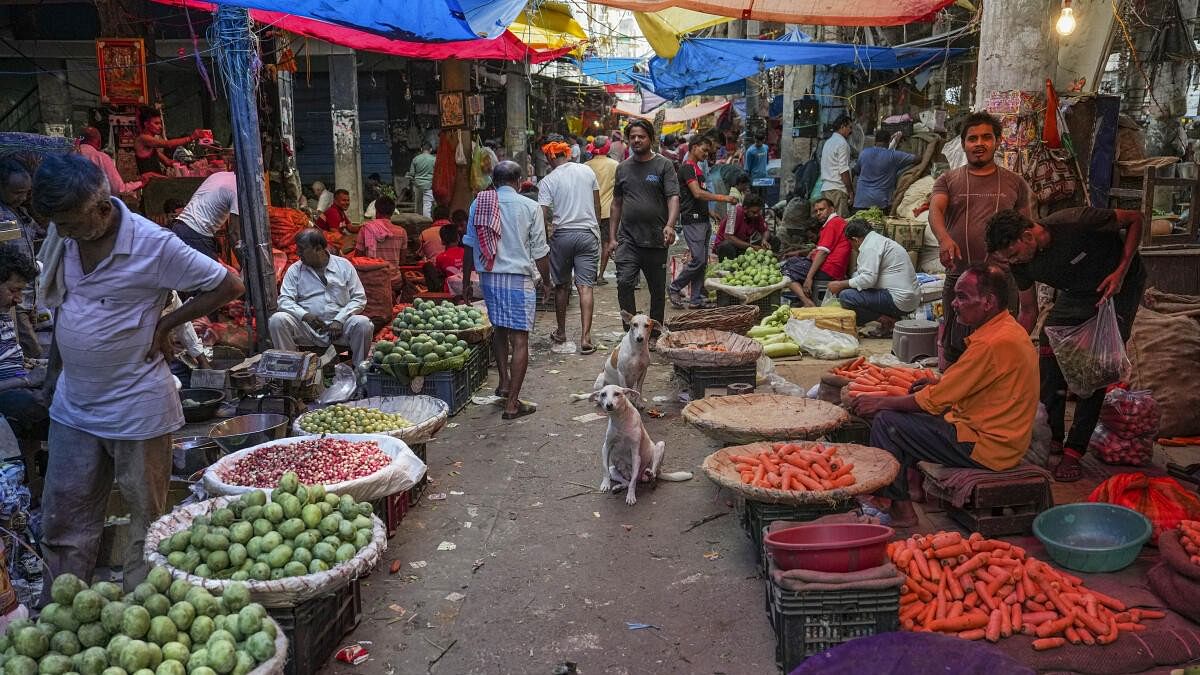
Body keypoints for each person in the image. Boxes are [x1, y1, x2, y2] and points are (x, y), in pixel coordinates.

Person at [32, 153, 243, 596]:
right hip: (73, 406)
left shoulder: (154, 245)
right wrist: (55, 374)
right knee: (63, 520)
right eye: (58, 225)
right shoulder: (63, 238)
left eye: (70, 223)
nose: (63, 234)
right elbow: (64, 309)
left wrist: (164, 325)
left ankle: (138, 610)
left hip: (136, 408)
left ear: (103, 209)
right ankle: (62, 610)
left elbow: (228, 285)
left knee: (146, 522)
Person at [850, 264, 1038, 527]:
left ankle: (901, 510)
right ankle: (909, 490)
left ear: (988, 302)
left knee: (887, 422)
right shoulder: (1006, 329)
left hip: (988, 447)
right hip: (998, 438)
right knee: (906, 416)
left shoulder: (991, 343)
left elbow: (933, 402)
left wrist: (880, 401)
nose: (954, 304)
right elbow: (969, 382)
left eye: (962, 297)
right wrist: (936, 381)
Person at [986, 207, 1147, 483]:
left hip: (1119, 286)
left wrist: (1121, 271)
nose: (1013, 262)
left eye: (1013, 254)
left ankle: (1075, 450)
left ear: (1028, 235)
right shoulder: (1020, 263)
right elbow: (1028, 311)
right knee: (1049, 346)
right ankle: (1054, 437)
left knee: (1092, 365)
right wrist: (1008, 350)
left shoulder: (1076, 222)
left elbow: (1135, 218)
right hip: (1076, 293)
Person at [928, 111, 1033, 363]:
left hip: (1002, 278)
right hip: (959, 276)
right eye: (972, 138)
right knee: (956, 347)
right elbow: (935, 210)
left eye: (986, 137)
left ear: (997, 141)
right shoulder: (948, 180)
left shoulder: (1015, 183)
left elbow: (1026, 228)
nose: (979, 144)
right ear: (963, 144)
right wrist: (944, 239)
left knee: (999, 348)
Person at [461, 161, 551, 420]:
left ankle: (503, 381)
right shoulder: (531, 207)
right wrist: (547, 281)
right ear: (519, 180)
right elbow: (540, 251)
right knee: (520, 339)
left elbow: (469, 244)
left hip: (489, 277)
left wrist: (468, 280)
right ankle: (512, 403)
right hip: (518, 279)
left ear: (493, 180)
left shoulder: (479, 203)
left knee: (499, 329)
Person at [609, 119, 679, 333]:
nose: (637, 140)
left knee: (657, 291)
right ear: (628, 140)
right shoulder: (622, 168)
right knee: (624, 283)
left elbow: (673, 197)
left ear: (651, 138)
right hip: (628, 239)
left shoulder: (663, 165)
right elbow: (616, 203)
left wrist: (670, 225)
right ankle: (631, 330)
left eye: (641, 136)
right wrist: (612, 237)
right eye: (632, 137)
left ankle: (655, 331)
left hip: (656, 239)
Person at [537, 134, 602, 354]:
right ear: (567, 152)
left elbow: (542, 215)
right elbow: (596, 204)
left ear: (549, 156)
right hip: (587, 234)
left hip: (562, 236)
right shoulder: (587, 171)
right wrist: (597, 232)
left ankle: (562, 332)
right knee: (585, 287)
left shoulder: (547, 181)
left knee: (562, 286)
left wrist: (544, 240)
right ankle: (586, 338)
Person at [270, 229, 373, 365]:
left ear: (318, 248)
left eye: (302, 249)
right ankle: (292, 370)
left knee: (363, 324)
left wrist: (340, 319)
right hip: (308, 329)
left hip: (340, 329)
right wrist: (305, 315)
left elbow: (359, 298)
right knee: (277, 320)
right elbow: (284, 300)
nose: (298, 253)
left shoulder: (344, 266)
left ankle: (358, 370)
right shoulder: (295, 270)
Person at [0, 246, 49, 496]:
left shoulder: (4, 315)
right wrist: (28, 382)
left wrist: (37, 368)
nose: (18, 299)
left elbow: (13, 362)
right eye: (13, 290)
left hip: (19, 385)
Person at [669, 135, 738, 309]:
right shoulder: (687, 168)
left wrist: (709, 212)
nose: (706, 154)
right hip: (692, 220)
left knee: (702, 261)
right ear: (693, 147)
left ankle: (696, 298)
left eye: (708, 151)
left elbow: (696, 198)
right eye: (704, 149)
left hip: (702, 219)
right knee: (698, 259)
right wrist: (724, 198)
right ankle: (675, 287)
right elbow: (697, 194)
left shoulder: (697, 169)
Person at [827, 219, 919, 330]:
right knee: (853, 289)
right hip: (909, 300)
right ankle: (891, 318)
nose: (852, 248)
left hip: (899, 299)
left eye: (850, 243)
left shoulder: (870, 246)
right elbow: (863, 275)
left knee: (846, 296)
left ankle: (886, 320)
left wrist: (840, 284)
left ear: (855, 240)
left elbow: (868, 280)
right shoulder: (878, 240)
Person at [0, 160, 41, 358]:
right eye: (17, 192)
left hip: (28, 292)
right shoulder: (2, 215)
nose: (23, 197)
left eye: (26, 192)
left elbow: (39, 232)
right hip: (12, 293)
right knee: (29, 349)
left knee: (25, 346)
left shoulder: (22, 213)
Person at [781, 198, 851, 307]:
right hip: (834, 269)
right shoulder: (837, 222)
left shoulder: (833, 224)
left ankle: (807, 302)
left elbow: (823, 253)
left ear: (832, 209)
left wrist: (809, 278)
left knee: (785, 269)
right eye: (816, 211)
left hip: (829, 269)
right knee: (793, 262)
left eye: (822, 209)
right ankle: (806, 298)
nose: (818, 213)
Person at [170, 170, 238, 260]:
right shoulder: (237, 188)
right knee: (218, 272)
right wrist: (246, 266)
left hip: (181, 227)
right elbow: (235, 234)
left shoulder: (219, 175)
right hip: (194, 233)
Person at [853, 130, 916, 211]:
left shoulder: (864, 153)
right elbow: (917, 158)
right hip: (880, 203)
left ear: (875, 141)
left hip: (861, 201)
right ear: (889, 141)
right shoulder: (894, 156)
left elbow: (856, 171)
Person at [585, 135, 619, 286]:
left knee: (590, 244)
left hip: (588, 211)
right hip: (608, 211)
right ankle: (600, 275)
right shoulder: (615, 165)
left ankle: (590, 274)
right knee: (606, 243)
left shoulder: (586, 166)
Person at [134, 107, 201, 181]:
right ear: (146, 124)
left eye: (160, 123)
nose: (160, 127)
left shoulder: (150, 144)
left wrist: (189, 165)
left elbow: (167, 162)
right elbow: (168, 144)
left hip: (155, 183)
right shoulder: (143, 139)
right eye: (156, 123)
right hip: (149, 185)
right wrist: (191, 138)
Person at [78, 127, 142, 195]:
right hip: (93, 203)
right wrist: (141, 183)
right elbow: (119, 189)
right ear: (99, 142)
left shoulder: (69, 155)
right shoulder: (100, 157)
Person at [713, 193, 770, 261]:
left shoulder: (757, 216)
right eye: (754, 212)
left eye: (758, 212)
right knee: (727, 246)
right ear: (745, 209)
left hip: (742, 246)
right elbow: (728, 237)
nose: (756, 215)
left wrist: (764, 240)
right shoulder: (735, 212)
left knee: (773, 239)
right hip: (725, 246)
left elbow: (765, 230)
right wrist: (752, 247)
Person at [819, 115, 854, 216]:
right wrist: (851, 192)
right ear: (843, 126)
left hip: (826, 189)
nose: (850, 131)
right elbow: (843, 170)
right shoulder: (842, 143)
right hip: (837, 190)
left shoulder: (828, 142)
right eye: (849, 127)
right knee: (839, 224)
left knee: (829, 224)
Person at [355, 195, 406, 264]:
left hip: (370, 273)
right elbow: (403, 261)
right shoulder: (401, 232)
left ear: (376, 211)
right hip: (393, 273)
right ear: (392, 212)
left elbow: (357, 258)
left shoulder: (365, 229)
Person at [316, 188, 357, 253]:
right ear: (335, 201)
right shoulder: (333, 212)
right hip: (322, 244)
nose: (347, 203)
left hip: (332, 240)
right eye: (343, 200)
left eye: (348, 200)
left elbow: (350, 228)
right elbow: (335, 235)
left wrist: (364, 227)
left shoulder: (340, 211)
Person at [407, 142, 436, 217]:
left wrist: (413, 182)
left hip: (417, 185)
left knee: (418, 205)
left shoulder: (415, 159)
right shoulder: (434, 159)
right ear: (431, 149)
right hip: (429, 185)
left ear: (421, 149)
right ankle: (426, 223)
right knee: (427, 205)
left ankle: (418, 222)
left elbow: (412, 174)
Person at [434, 224, 465, 290]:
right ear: (458, 238)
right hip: (469, 290)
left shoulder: (440, 257)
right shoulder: (467, 253)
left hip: (450, 292)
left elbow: (440, 276)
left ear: (442, 241)